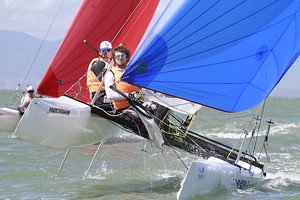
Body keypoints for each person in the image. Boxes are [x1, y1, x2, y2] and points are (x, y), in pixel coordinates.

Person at [104, 45, 141, 111]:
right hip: (123, 109)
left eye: (122, 56)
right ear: (114, 59)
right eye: (117, 56)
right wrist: (129, 95)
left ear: (127, 58)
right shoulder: (110, 74)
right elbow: (110, 95)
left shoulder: (135, 70)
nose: (120, 58)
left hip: (139, 105)